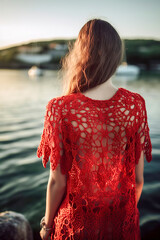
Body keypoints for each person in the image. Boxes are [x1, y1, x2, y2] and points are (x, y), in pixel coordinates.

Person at [37, 18, 152, 240]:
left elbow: (57, 182)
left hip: (75, 225)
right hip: (121, 224)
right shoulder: (135, 105)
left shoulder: (60, 107)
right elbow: (138, 180)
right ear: (116, 57)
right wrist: (122, 216)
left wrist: (47, 227)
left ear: (81, 54)